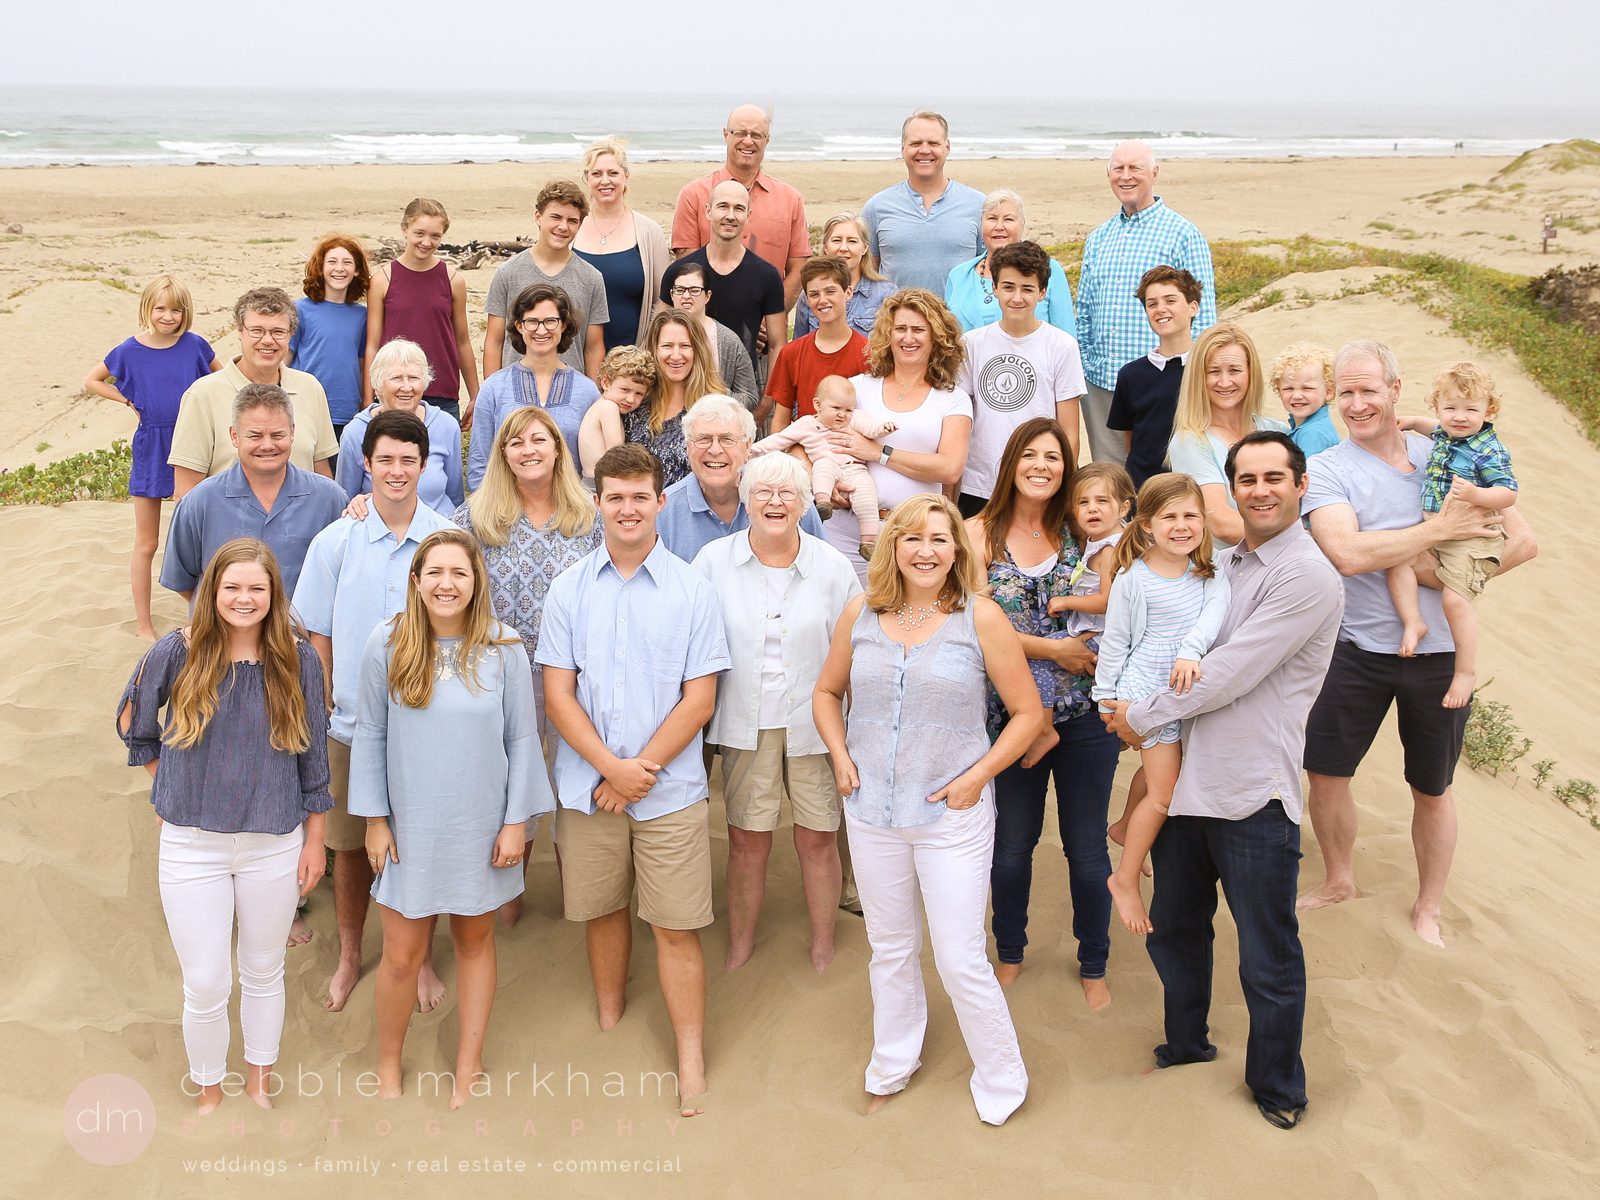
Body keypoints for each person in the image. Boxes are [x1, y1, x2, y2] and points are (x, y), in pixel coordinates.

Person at [1100, 431, 1344, 1132]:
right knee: (1176, 929)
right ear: (1230, 490)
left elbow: (1229, 672)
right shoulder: (1222, 564)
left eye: (1275, 477)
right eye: (1246, 478)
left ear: (1301, 486)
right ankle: (1185, 1044)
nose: (1260, 489)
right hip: (1185, 789)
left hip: (1249, 792)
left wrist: (1139, 717)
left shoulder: (1306, 575)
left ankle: (1277, 1087)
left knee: (1268, 950)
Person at [814, 493, 1041, 1124]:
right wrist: (839, 754)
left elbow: (1028, 715)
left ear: (957, 551)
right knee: (889, 945)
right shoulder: (861, 612)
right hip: (870, 813)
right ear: (892, 546)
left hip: (951, 815)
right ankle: (893, 1059)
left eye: (940, 539)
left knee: (959, 955)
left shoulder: (981, 618)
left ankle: (1001, 1076)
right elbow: (828, 692)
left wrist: (979, 776)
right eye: (912, 538)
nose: (926, 551)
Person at [1299, 341, 1536, 945]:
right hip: (1355, 648)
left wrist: (1446, 573)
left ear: (1396, 391)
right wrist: (1436, 532)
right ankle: (1339, 880)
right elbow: (1348, 555)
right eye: (1345, 392)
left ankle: (1429, 907)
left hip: (1440, 661)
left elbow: (1523, 542)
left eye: (1369, 390)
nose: (1357, 404)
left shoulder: (1449, 452)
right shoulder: (1328, 469)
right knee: (1325, 774)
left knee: (1431, 789)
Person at [535, 444, 731, 1119]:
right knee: (602, 908)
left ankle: (690, 1055)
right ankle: (611, 1015)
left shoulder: (692, 589)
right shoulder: (568, 589)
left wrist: (634, 772)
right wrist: (608, 770)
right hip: (589, 786)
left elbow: (699, 699)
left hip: (669, 792)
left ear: (659, 503)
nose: (626, 508)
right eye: (614, 497)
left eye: (638, 496)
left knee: (676, 927)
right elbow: (559, 697)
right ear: (598, 502)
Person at [117, 538, 330, 1114]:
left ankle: (258, 1080)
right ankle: (209, 1086)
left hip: (274, 843)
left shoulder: (298, 656)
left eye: (256, 588)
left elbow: (313, 758)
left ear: (272, 594)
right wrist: (169, 785)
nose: (243, 598)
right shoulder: (177, 651)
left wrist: (316, 840)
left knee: (264, 970)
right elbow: (134, 722)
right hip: (191, 848)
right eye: (231, 587)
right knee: (208, 979)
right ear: (211, 591)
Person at [350, 529, 551, 1108]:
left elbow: (521, 735)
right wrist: (374, 820)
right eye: (434, 573)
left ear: (475, 582)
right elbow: (370, 735)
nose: (446, 584)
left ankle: (469, 1062)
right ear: (416, 582)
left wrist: (516, 822)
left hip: (481, 825)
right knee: (402, 955)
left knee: (474, 939)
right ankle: (389, 1062)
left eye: (458, 573)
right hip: (409, 825)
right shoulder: (386, 644)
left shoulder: (504, 648)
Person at [292, 409, 457, 1011]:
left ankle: (417, 962)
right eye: (384, 459)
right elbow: (318, 635)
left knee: (419, 846)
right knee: (352, 849)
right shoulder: (336, 539)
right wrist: (327, 699)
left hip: (427, 726)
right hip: (350, 726)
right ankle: (347, 957)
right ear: (366, 462)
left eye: (407, 460)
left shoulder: (446, 539)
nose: (395, 470)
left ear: (424, 465)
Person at [965, 422, 1125, 1003]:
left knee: (1086, 845)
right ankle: (1009, 950)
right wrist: (1052, 647)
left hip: (1083, 713)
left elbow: (1125, 601)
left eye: (1053, 457)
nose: (1041, 465)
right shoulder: (977, 533)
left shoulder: (1085, 528)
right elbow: (973, 628)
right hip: (1010, 718)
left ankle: (1094, 963)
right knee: (1013, 843)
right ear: (1010, 463)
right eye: (1029, 454)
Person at [691, 453, 861, 972]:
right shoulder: (712, 563)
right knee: (747, 839)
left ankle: (823, 942)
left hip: (816, 722)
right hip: (745, 720)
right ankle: (741, 943)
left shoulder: (831, 566)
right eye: (763, 492)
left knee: (817, 836)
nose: (775, 502)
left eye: (788, 493)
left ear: (804, 503)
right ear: (746, 499)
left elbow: (856, 648)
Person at [454, 404, 603, 925]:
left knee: (573, 779)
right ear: (502, 453)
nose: (529, 450)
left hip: (575, 676)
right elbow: (452, 588)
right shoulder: (475, 517)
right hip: (499, 673)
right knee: (508, 779)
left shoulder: (589, 515)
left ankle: (577, 895)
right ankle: (506, 898)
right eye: (516, 442)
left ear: (558, 448)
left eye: (539, 440)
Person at [1092, 472, 1230, 934]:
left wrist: (1191, 649)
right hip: (1145, 690)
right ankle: (1125, 877)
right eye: (1169, 516)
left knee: (1157, 776)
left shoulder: (1209, 573)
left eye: (1191, 515)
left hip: (1183, 689)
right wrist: (1104, 696)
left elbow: (1214, 616)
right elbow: (1116, 640)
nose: (1182, 525)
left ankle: (1125, 825)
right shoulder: (1134, 578)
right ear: (1147, 523)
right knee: (1166, 794)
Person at [85, 273, 222, 639]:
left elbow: (222, 382)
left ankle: (205, 614)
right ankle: (143, 624)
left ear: (185, 313)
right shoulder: (128, 350)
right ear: (147, 308)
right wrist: (126, 399)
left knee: (199, 535)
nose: (168, 316)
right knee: (147, 542)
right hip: (151, 444)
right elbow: (92, 380)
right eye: (160, 308)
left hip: (192, 443)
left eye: (176, 310)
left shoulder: (195, 345)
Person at [808, 289, 973, 580]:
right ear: (888, 334)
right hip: (847, 529)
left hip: (915, 534)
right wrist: (820, 482)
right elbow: (804, 437)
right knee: (845, 615)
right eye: (900, 329)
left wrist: (878, 453)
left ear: (936, 336)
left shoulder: (952, 399)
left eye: (919, 330)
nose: (908, 338)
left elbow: (949, 468)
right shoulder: (857, 387)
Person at [1077, 141, 1217, 465]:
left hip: (1161, 383)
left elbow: (1205, 313)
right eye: (1118, 168)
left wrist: (1193, 377)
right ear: (1109, 174)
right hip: (1102, 383)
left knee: (1164, 477)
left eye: (1135, 168)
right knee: (1112, 480)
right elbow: (1084, 309)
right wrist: (1086, 361)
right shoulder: (1099, 237)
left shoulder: (1183, 234)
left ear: (1154, 173)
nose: (1126, 176)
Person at [1388, 362, 1518, 704]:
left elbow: (1508, 492)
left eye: (1470, 410)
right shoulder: (1447, 432)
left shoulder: (1488, 449)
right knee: (1396, 559)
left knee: (1454, 601)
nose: (1459, 417)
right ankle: (1413, 622)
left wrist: (1478, 495)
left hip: (1470, 537)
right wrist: (1415, 422)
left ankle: (1465, 672)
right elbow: (1435, 428)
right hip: (1437, 529)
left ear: (1488, 410)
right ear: (1437, 407)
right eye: (1450, 408)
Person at [161, 384, 347, 601]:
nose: (267, 445)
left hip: (299, 633)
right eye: (255, 435)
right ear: (234, 436)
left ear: (293, 433)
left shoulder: (330, 500)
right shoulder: (199, 502)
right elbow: (183, 581)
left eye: (277, 434)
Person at [168, 286, 337, 498]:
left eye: (278, 332)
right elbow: (186, 491)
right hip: (229, 528)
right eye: (257, 330)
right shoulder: (203, 395)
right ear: (239, 331)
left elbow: (322, 473)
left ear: (290, 335)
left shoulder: (310, 388)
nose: (267, 340)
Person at [955, 241, 1086, 513]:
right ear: (994, 288)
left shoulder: (1061, 345)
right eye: (1008, 287)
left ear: (1042, 292)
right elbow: (961, 418)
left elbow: (1069, 430)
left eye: (1027, 289)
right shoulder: (972, 343)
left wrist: (1064, 488)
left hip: (1037, 479)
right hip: (980, 482)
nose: (1017, 298)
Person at [670, 105, 811, 309]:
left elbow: (798, 268)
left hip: (768, 331)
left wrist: (770, 316)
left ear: (767, 140)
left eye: (756, 135)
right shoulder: (693, 195)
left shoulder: (791, 199)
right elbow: (686, 268)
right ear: (726, 134)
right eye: (740, 133)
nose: (748, 141)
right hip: (705, 326)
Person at [657, 393, 825, 562]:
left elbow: (821, 567)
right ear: (687, 447)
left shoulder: (788, 499)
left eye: (727, 439)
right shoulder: (663, 510)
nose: (715, 450)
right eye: (703, 439)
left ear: (748, 446)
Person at [1167, 323, 1288, 546]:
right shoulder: (1189, 442)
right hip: (1230, 570)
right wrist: (1295, 540)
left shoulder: (1279, 431)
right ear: (1199, 378)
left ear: (1251, 372)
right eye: (1213, 371)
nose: (1224, 382)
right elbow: (1220, 522)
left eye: (1234, 370)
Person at [469, 283, 601, 487]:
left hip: (569, 511)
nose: (541, 330)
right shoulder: (494, 388)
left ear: (563, 325)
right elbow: (479, 465)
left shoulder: (587, 391)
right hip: (505, 510)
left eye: (550, 321)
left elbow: (595, 466)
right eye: (532, 321)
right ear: (519, 326)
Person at [365, 198, 478, 426]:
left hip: (442, 393)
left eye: (435, 236)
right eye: (419, 233)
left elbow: (462, 341)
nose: (426, 242)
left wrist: (476, 395)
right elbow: (372, 344)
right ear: (405, 230)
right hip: (393, 391)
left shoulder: (453, 280)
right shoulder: (382, 280)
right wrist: (369, 397)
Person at [753, 376, 895, 557]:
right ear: (818, 405)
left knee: (867, 498)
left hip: (855, 468)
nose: (842, 414)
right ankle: (823, 503)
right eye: (836, 408)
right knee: (822, 469)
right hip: (826, 462)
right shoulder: (806, 424)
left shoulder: (854, 420)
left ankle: (868, 542)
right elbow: (780, 440)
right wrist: (752, 450)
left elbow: (870, 427)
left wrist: (884, 428)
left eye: (848, 409)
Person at [485, 181, 610, 380]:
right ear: (538, 217)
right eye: (556, 217)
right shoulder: (507, 273)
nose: (563, 226)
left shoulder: (592, 278)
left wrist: (593, 396)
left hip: (571, 393)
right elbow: (494, 341)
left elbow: (593, 348)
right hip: (515, 391)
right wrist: (492, 393)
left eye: (572, 220)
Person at [661, 180, 787, 375]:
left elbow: (777, 345)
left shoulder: (767, 275)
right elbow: (659, 335)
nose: (730, 215)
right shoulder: (679, 273)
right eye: (723, 206)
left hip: (743, 388)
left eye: (738, 208)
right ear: (708, 211)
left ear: (748, 215)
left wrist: (767, 402)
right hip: (685, 385)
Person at [861, 111, 984, 293]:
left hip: (959, 321)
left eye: (933, 143)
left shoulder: (979, 205)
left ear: (947, 147)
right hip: (896, 320)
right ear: (903, 149)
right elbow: (866, 275)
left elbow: (989, 272)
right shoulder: (876, 207)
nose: (925, 150)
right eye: (915, 143)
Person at [337, 339, 464, 515]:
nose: (406, 387)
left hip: (438, 533)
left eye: (413, 378)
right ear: (378, 385)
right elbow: (346, 497)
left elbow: (456, 495)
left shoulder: (446, 425)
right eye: (396, 378)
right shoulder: (356, 431)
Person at [1107, 267, 1201, 488]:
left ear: (1192, 307)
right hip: (1146, 491)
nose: (1161, 309)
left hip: (1200, 487)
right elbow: (1132, 441)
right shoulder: (1131, 374)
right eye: (1152, 304)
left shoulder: (1208, 369)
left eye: (1170, 300)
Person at [573, 137, 670, 352]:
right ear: (586, 179)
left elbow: (663, 302)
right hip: (577, 361)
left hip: (633, 363)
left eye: (613, 173)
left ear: (626, 176)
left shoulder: (649, 231)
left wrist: (644, 351)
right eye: (596, 174)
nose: (605, 181)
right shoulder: (571, 229)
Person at [943, 190, 1077, 336]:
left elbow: (1065, 335)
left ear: (1022, 225)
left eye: (1008, 219)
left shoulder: (1047, 269)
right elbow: (947, 337)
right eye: (992, 218)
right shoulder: (958, 276)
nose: (999, 226)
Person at [623, 310, 728, 489]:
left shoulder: (716, 408)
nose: (676, 355)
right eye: (667, 346)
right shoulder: (634, 403)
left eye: (685, 346)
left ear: (697, 351)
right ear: (654, 350)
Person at [767, 257, 871, 433]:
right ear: (806, 299)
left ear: (848, 293)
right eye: (814, 294)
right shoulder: (792, 353)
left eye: (830, 291)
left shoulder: (868, 354)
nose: (822, 300)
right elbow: (780, 421)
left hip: (851, 452)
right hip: (805, 448)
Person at [289, 234, 370, 445]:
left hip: (346, 410)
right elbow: (284, 360)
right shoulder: (300, 310)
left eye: (347, 262)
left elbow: (362, 363)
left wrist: (365, 401)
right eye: (332, 262)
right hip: (306, 408)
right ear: (321, 267)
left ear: (357, 270)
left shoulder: (362, 315)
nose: (339, 268)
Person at [662, 259, 759, 410]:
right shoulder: (657, 333)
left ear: (707, 296)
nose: (686, 296)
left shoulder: (727, 340)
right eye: (680, 290)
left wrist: (715, 395)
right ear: (672, 294)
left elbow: (750, 396)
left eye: (694, 290)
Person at [793, 212, 895, 338]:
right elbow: (800, 345)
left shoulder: (886, 294)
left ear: (865, 248)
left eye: (852, 241)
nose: (843, 248)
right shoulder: (810, 294)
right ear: (826, 247)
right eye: (836, 240)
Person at [577, 345, 659, 486]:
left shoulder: (601, 406)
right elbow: (617, 454)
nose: (630, 399)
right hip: (599, 486)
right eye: (625, 389)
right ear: (605, 383)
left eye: (639, 393)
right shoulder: (608, 408)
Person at [1271, 343, 1340, 459]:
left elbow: (1308, 475)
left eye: (1307, 388)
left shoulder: (1313, 434)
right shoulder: (1307, 427)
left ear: (1329, 392)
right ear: (1279, 390)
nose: (1297, 395)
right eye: (1289, 388)